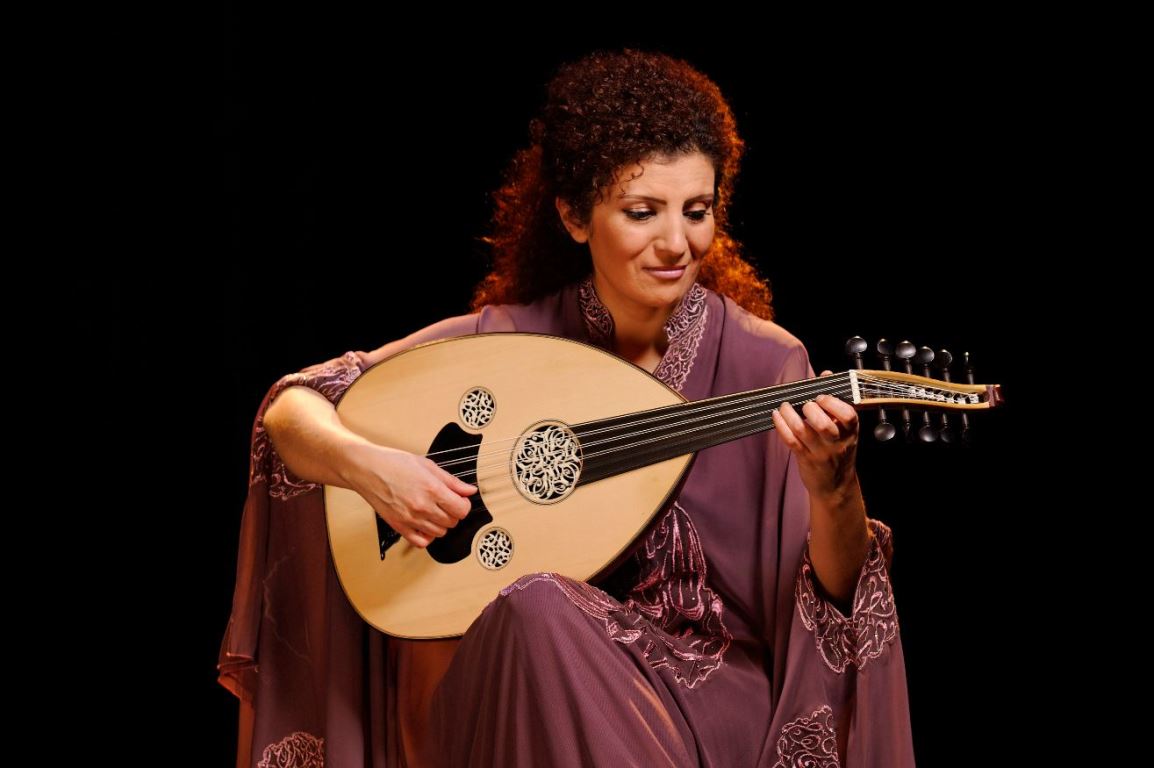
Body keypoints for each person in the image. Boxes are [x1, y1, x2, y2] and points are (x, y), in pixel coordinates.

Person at [219, 49, 915, 767]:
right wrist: (374, 470)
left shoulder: (766, 365)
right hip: (520, 680)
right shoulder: (511, 342)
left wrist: (835, 489)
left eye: (697, 212)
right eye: (642, 212)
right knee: (534, 611)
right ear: (576, 217)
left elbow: (829, 595)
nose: (677, 243)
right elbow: (292, 412)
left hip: (699, 705)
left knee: (539, 605)